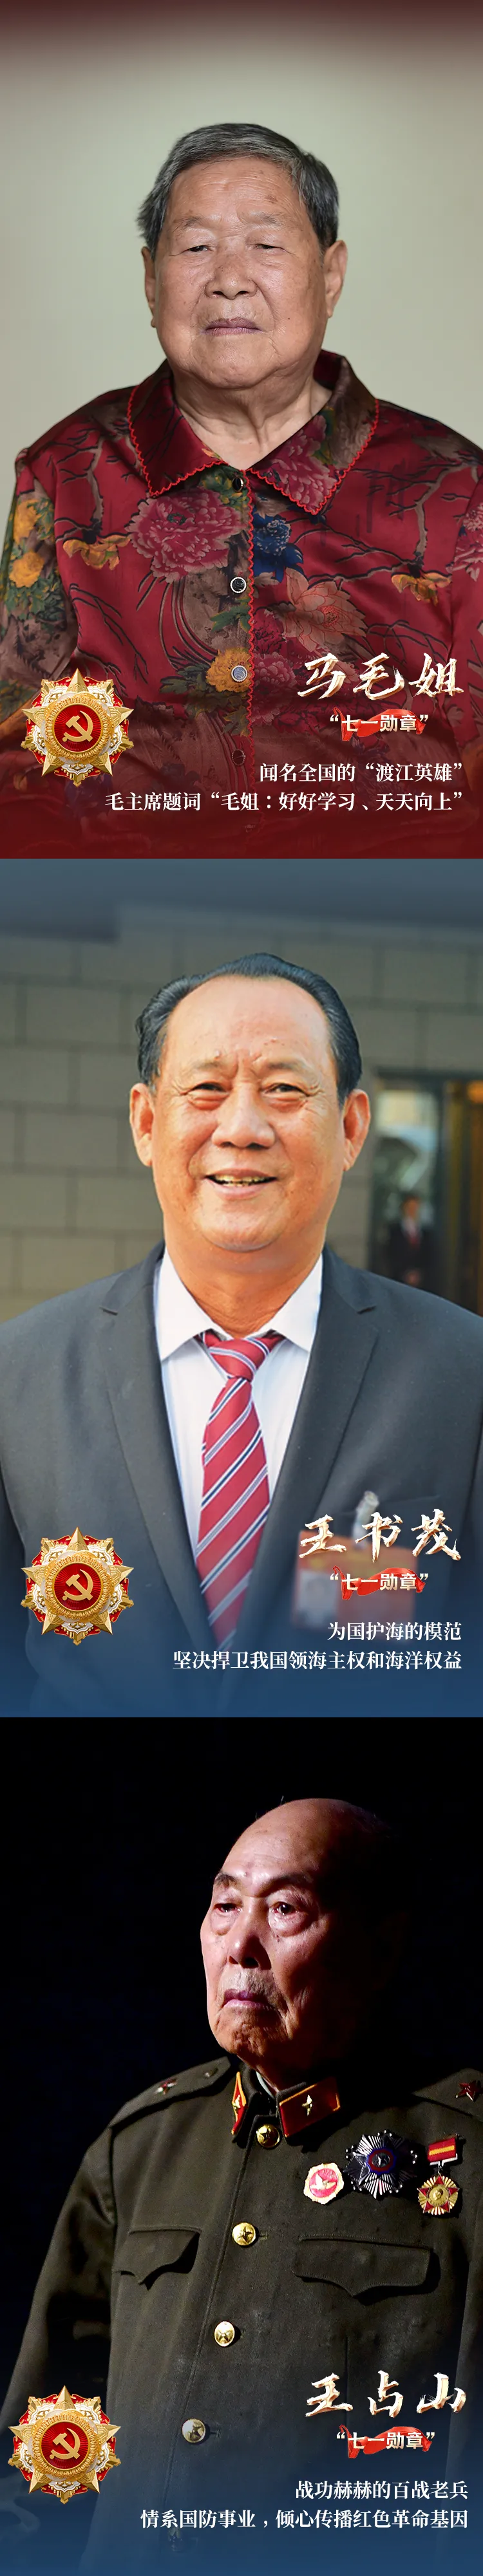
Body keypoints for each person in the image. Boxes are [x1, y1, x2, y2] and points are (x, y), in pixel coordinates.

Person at [1, 1797, 482, 2573]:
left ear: (382, 1945)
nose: (240, 1945)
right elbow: (58, 2430)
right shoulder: (142, 2146)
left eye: (286, 1909)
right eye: (225, 1907)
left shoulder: (467, 2154)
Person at [0, 952, 482, 1721]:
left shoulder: (463, 1375)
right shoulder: (18, 1375)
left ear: (351, 1127)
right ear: (147, 1123)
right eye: (206, 1090)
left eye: (285, 1090)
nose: (243, 1129)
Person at [1, 122, 482, 817]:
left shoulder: (456, 489)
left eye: (266, 244)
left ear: (331, 275)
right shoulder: (66, 470)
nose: (229, 281)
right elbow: (19, 763)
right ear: (150, 279)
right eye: (197, 247)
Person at [387, 1192, 436, 1292]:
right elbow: (390, 1255)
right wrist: (405, 1274)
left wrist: (419, 1274)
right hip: (398, 1282)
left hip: (422, 1285)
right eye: (410, 1207)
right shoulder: (394, 1232)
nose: (413, 1211)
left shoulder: (426, 1234)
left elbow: (430, 1257)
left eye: (416, 1207)